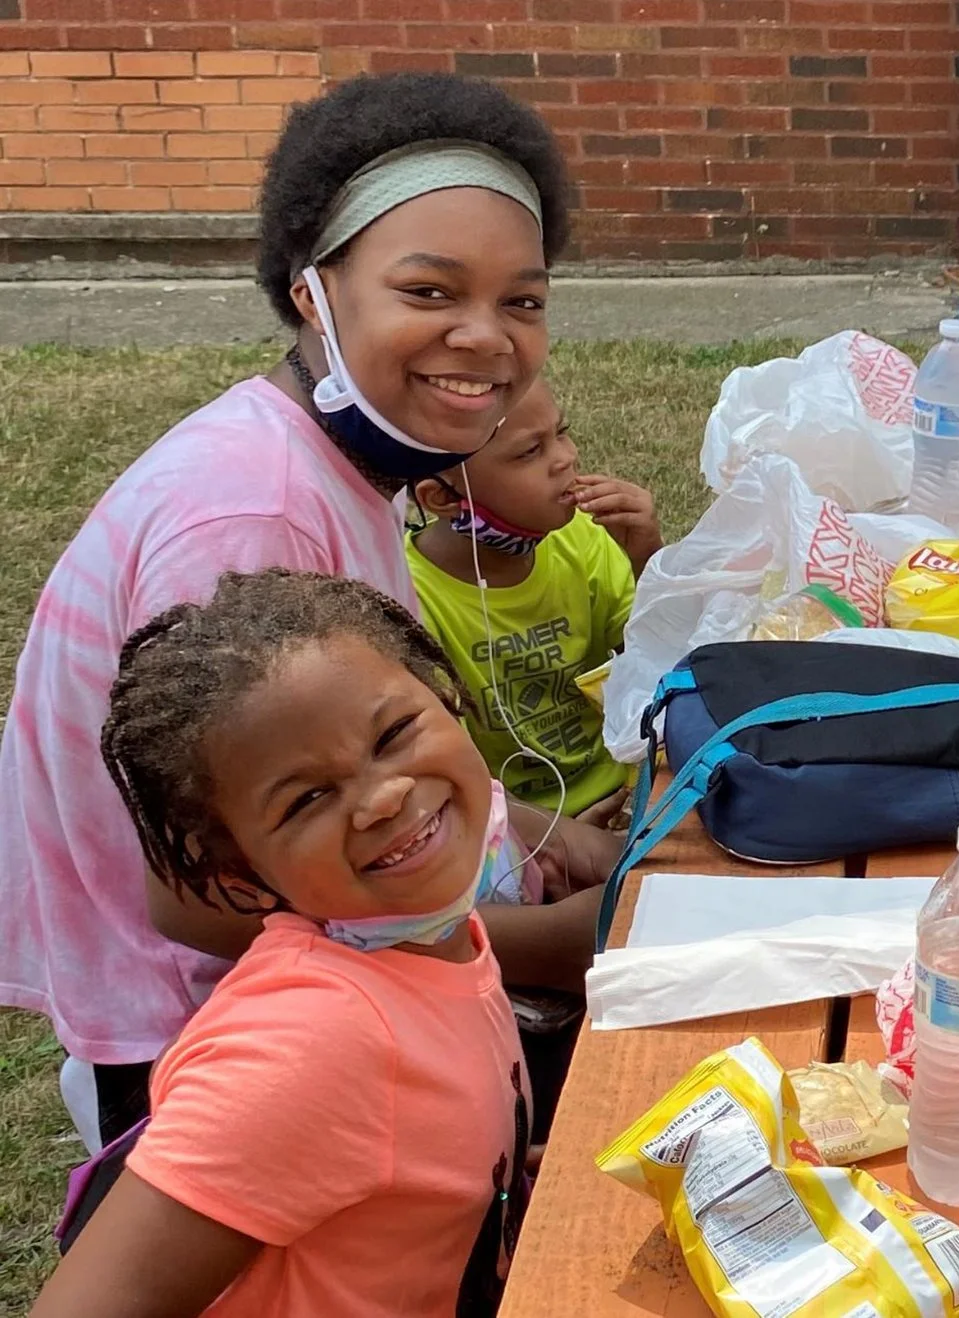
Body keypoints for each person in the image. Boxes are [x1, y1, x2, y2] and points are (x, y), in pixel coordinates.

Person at [0, 72, 615, 1152]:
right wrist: (525, 943)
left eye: (522, 298)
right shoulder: (248, 524)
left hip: (320, 970)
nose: (487, 338)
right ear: (311, 292)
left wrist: (540, 830)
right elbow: (198, 901)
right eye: (430, 291)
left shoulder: (338, 459)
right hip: (205, 1033)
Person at [33, 571, 544, 1318]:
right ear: (243, 875)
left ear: (444, 694)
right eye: (306, 799)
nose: (383, 797)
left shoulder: (433, 932)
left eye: (395, 733)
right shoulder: (309, 1041)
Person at [406, 376, 659, 820]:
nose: (566, 458)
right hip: (507, 827)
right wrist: (558, 837)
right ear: (443, 499)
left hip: (626, 790)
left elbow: (659, 665)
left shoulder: (584, 539)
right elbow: (442, 770)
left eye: (561, 432)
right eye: (529, 451)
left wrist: (647, 559)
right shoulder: (412, 599)